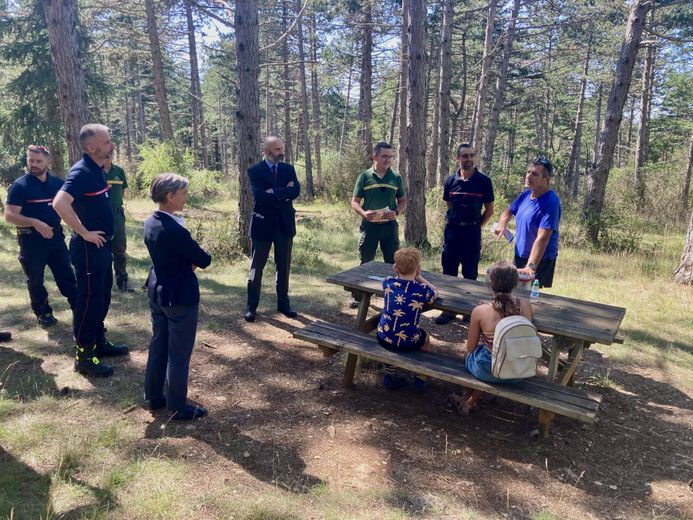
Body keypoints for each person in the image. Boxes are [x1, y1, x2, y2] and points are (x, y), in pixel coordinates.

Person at [53, 124, 129, 378]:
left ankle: (99, 342)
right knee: (88, 301)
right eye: (107, 142)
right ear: (91, 147)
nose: (112, 145)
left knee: (102, 296)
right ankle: (84, 357)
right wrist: (84, 232)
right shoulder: (82, 171)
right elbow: (59, 203)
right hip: (88, 248)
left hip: (101, 246)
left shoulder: (97, 169)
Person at [143, 173, 212, 420]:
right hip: (179, 297)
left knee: (158, 345)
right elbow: (204, 259)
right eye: (183, 193)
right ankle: (177, 406)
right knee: (179, 353)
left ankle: (153, 396)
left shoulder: (151, 221)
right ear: (170, 196)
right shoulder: (175, 230)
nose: (186, 197)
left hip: (158, 292)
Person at [4, 145, 77, 327]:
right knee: (35, 279)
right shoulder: (20, 186)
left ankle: (79, 308)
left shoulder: (58, 184)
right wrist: (35, 222)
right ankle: (43, 313)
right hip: (31, 240)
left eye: (38, 161)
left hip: (55, 237)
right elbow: (10, 215)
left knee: (66, 274)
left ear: (48, 162)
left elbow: (69, 208)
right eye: (31, 161)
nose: (34, 164)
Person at [452, 261, 534, 415]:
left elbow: (470, 348)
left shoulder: (480, 311)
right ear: (516, 283)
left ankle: (468, 398)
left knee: (471, 355)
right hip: (519, 370)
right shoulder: (526, 305)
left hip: (488, 371)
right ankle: (469, 401)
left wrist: (486, 309)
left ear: (490, 284)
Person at [435, 143, 494, 325]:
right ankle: (448, 310)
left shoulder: (484, 181)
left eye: (471, 155)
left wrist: (477, 226)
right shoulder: (450, 181)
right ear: (457, 158)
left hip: (472, 232)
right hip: (452, 232)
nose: (468, 159)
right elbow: (449, 205)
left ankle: (469, 311)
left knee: (470, 273)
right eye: (465, 156)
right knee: (449, 272)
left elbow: (489, 210)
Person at [244, 136, 301, 322]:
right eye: (277, 149)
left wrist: (274, 192)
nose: (281, 152)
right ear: (267, 152)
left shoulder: (288, 169)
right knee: (256, 268)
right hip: (263, 224)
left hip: (284, 225)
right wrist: (284, 192)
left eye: (282, 148)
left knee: (283, 267)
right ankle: (251, 307)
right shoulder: (255, 170)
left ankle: (284, 305)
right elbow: (259, 196)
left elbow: (296, 191)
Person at [350, 142, 407, 308]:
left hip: (389, 226)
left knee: (393, 262)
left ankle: (393, 297)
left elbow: (403, 201)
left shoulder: (396, 177)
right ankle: (359, 297)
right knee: (366, 260)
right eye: (384, 156)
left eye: (390, 157)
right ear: (374, 156)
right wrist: (363, 213)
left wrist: (396, 212)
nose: (388, 160)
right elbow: (354, 201)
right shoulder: (364, 176)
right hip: (370, 226)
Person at [376, 247, 438, 389]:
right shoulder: (422, 290)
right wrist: (419, 277)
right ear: (418, 269)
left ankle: (390, 374)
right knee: (426, 338)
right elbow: (435, 291)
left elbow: (395, 279)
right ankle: (421, 376)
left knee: (388, 330)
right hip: (408, 342)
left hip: (383, 338)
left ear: (395, 267)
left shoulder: (387, 282)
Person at [494, 157, 561, 288]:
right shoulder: (526, 195)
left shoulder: (551, 202)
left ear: (546, 180)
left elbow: (542, 238)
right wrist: (502, 224)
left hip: (539, 258)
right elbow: (508, 211)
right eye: (528, 172)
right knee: (512, 291)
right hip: (520, 253)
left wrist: (530, 267)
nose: (529, 176)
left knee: (528, 296)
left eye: (535, 174)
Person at [104, 158, 134, 292]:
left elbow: (121, 191)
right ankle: (103, 282)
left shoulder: (119, 171)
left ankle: (122, 281)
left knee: (119, 249)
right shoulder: (94, 171)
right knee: (102, 250)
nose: (107, 156)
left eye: (110, 153)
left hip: (117, 215)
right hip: (101, 217)